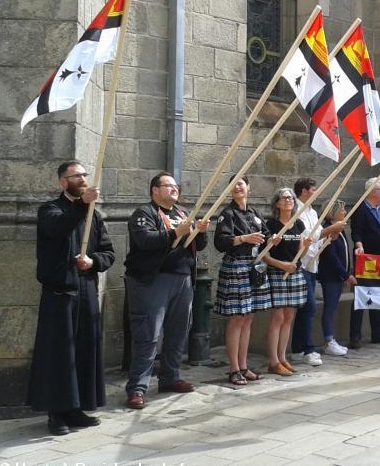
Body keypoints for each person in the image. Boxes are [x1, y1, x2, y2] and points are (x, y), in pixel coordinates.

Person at [27, 161, 115, 436]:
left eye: (84, 175)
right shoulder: (50, 210)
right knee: (59, 354)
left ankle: (77, 407)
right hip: (60, 292)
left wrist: (92, 261)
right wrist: (81, 206)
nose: (83, 179)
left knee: (84, 351)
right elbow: (58, 229)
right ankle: (57, 412)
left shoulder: (94, 216)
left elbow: (108, 253)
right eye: (77, 176)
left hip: (86, 291)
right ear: (63, 182)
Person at [123, 172, 209, 409]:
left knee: (178, 331)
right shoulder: (144, 214)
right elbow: (145, 241)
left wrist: (200, 231)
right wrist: (175, 233)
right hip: (153, 281)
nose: (174, 189)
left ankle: (170, 377)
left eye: (176, 186)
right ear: (154, 190)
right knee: (148, 334)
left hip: (182, 279)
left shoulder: (182, 214)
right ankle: (137, 387)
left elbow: (198, 245)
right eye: (168, 186)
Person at [213, 175, 270, 385]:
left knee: (248, 318)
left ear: (248, 188)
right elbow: (219, 242)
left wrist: (273, 239)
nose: (237, 187)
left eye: (241, 183)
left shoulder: (254, 213)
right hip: (236, 264)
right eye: (233, 184)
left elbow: (266, 233)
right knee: (237, 318)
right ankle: (234, 369)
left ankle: (244, 366)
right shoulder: (227, 214)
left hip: (253, 265)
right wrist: (244, 238)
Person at [289, 178, 347, 367]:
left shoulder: (312, 212)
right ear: (304, 191)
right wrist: (329, 229)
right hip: (300, 264)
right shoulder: (295, 210)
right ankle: (308, 349)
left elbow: (319, 237)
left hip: (313, 265)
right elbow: (307, 236)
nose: (317, 192)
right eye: (314, 189)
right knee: (310, 307)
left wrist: (331, 234)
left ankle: (297, 348)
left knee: (304, 308)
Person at [262, 187, 311, 376]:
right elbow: (264, 256)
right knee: (278, 317)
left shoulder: (298, 223)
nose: (288, 200)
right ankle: (273, 361)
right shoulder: (271, 225)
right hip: (277, 273)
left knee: (289, 317)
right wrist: (282, 265)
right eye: (284, 198)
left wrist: (305, 247)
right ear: (277, 203)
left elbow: (300, 254)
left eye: (291, 198)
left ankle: (283, 357)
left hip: (295, 273)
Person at [349, 177, 380, 348]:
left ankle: (378, 332)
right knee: (362, 295)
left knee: (377, 294)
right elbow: (356, 231)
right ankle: (355, 335)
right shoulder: (360, 209)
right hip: (366, 260)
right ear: (373, 191)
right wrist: (359, 245)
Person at [315, 199, 353, 356]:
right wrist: (345, 275)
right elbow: (331, 256)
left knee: (333, 308)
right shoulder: (328, 229)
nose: (345, 212)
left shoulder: (341, 229)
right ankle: (329, 340)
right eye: (342, 210)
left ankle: (331, 339)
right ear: (333, 212)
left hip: (338, 276)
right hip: (330, 276)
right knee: (329, 309)